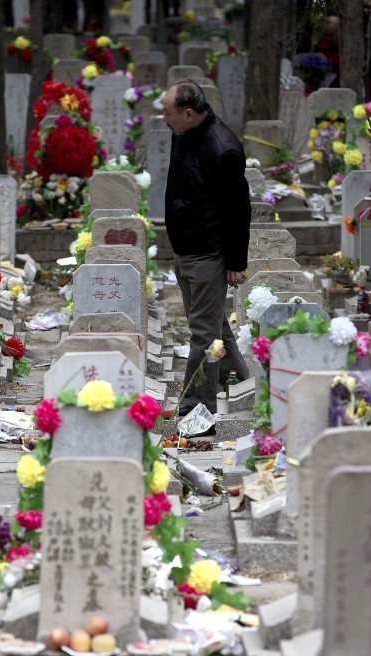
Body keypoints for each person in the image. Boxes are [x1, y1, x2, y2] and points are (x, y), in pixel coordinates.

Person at [162, 79, 250, 435]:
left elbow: (237, 209)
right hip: (185, 248)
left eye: (167, 113)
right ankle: (242, 385)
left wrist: (235, 262)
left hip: (208, 252)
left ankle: (197, 408)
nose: (163, 119)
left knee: (203, 333)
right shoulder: (182, 132)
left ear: (187, 113)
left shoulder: (223, 148)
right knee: (213, 325)